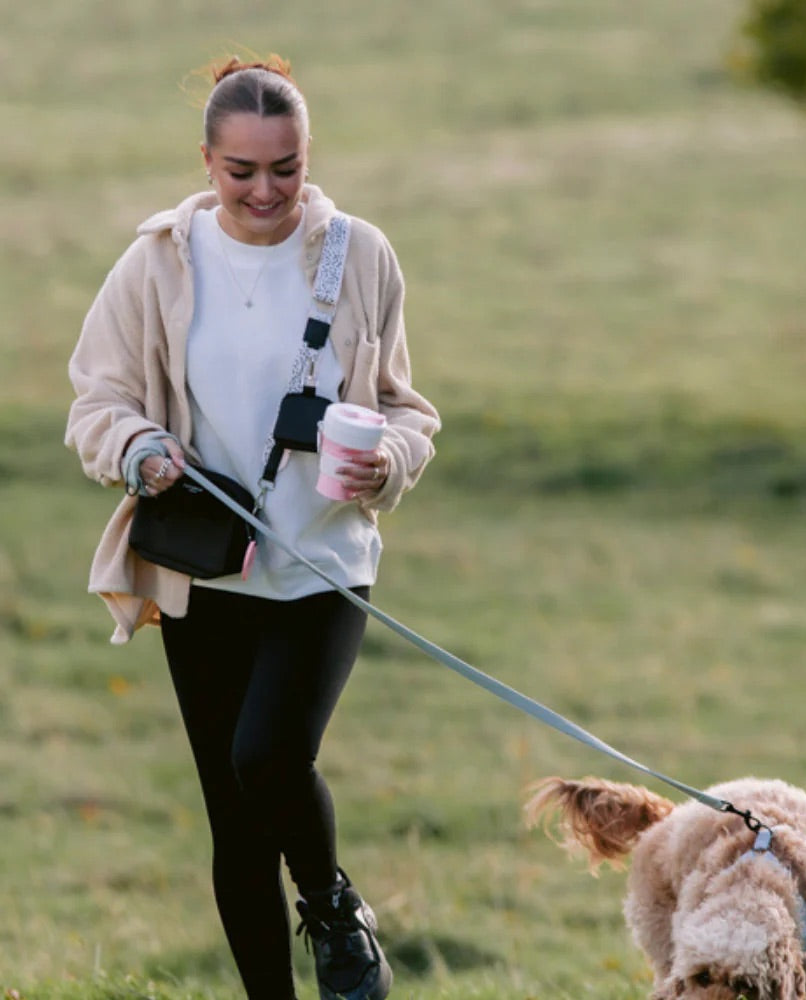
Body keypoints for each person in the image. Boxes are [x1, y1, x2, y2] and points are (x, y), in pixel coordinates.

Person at [65, 55, 440, 1000]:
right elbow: (95, 401)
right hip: (206, 569)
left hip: (323, 564)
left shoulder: (360, 255)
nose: (266, 190)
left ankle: (331, 904)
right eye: (243, 171)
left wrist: (387, 458)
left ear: (309, 159)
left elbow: (405, 409)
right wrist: (140, 445)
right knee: (234, 823)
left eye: (288, 168)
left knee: (268, 755)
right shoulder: (155, 261)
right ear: (206, 162)